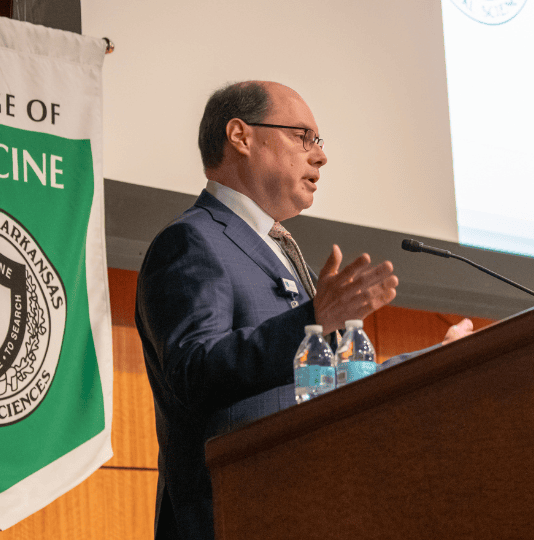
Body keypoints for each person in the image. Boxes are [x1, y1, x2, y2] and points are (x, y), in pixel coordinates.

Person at [135, 80, 472, 540]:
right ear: (240, 136)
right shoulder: (193, 241)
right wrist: (314, 321)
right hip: (233, 517)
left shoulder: (281, 251)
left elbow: (336, 389)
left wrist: (438, 361)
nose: (320, 155)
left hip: (312, 508)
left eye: (319, 141)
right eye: (302, 137)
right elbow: (194, 371)